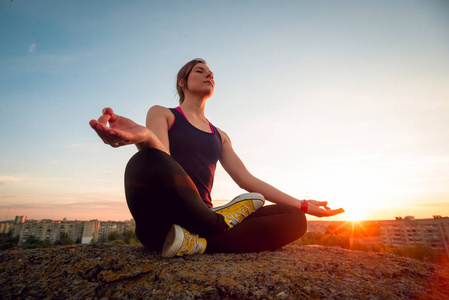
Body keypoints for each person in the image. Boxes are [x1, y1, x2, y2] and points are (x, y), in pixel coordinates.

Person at [89, 58, 344, 258]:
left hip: (189, 231)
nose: (209, 75)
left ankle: (200, 241)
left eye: (211, 73)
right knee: (145, 160)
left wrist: (303, 205)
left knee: (294, 220)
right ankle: (217, 222)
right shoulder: (163, 114)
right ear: (182, 82)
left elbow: (247, 180)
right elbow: (162, 166)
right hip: (162, 223)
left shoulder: (219, 135)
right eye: (199, 71)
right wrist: (144, 137)